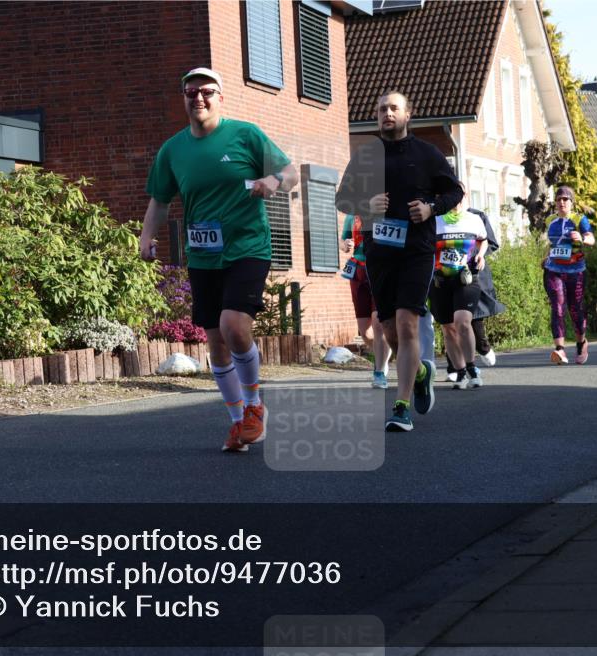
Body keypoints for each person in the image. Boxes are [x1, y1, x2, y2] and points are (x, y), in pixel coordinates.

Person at [141, 67, 298, 452]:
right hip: (203, 253)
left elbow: (291, 173)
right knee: (215, 343)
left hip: (247, 247)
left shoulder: (245, 135)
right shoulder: (173, 149)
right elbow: (160, 200)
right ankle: (237, 423)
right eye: (190, 92)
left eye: (206, 91)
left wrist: (273, 183)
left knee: (234, 326)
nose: (198, 98)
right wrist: (146, 236)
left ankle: (256, 407)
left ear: (220, 97)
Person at [335, 91, 463, 432]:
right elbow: (342, 198)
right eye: (381, 109)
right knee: (388, 330)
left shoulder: (426, 153)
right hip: (379, 253)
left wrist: (430, 208)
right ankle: (421, 372)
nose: (386, 113)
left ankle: (401, 407)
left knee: (407, 324)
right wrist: (366, 203)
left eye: (393, 108)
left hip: (416, 252)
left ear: (408, 115)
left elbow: (455, 192)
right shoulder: (365, 156)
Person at [429, 185, 488, 389]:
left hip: (466, 278)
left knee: (462, 321)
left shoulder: (474, 219)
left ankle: (472, 368)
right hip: (440, 280)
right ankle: (460, 372)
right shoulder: (435, 220)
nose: (457, 200)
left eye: (461, 195)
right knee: (448, 328)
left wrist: (480, 254)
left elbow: (483, 240)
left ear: (465, 197)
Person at [445, 206, 504, 381]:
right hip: (447, 275)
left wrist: (478, 254)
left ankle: (483, 346)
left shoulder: (476, 216)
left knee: (473, 319)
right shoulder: (441, 218)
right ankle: (455, 366)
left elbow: (490, 242)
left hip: (472, 274)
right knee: (450, 322)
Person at [542, 185, 595, 364]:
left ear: (571, 202)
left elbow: (591, 239)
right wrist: (546, 256)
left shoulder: (580, 219)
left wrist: (582, 238)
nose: (562, 202)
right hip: (553, 270)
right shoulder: (550, 220)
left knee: (575, 309)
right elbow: (552, 244)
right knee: (557, 306)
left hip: (576, 271)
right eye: (558, 199)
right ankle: (560, 350)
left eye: (565, 199)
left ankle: (581, 342)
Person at [340, 214, 391, 388]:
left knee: (378, 324)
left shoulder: (384, 212)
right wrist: (345, 245)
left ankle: (379, 371)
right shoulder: (351, 217)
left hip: (380, 271)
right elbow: (342, 241)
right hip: (358, 272)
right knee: (365, 332)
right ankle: (384, 353)